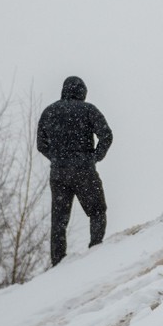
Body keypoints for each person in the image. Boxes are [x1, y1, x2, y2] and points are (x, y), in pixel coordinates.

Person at [36, 76, 113, 266]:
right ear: (82, 91)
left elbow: (41, 145)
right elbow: (106, 135)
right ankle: (95, 248)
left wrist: (57, 159)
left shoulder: (49, 112)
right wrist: (95, 157)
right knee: (97, 211)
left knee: (59, 219)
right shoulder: (88, 110)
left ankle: (57, 260)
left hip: (59, 174)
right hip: (84, 170)